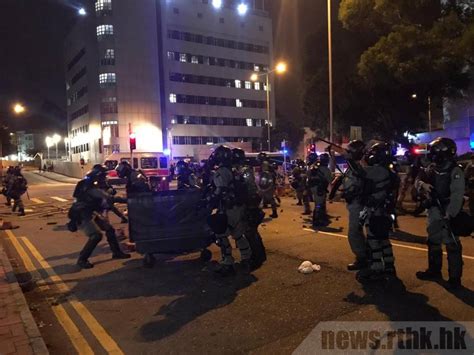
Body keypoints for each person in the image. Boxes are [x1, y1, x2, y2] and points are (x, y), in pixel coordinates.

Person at [415, 138, 465, 289]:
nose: (432, 154)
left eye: (435, 151)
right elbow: (418, 181)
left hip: (447, 211)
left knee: (452, 245)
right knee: (433, 241)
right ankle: (434, 270)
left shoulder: (455, 170)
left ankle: (455, 278)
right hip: (434, 211)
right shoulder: (431, 168)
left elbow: (457, 194)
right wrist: (423, 185)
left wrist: (450, 214)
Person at [69, 164, 131, 269]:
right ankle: (82, 259)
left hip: (90, 212)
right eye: (103, 176)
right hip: (83, 214)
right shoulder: (91, 189)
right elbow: (110, 198)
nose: (104, 178)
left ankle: (116, 253)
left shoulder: (87, 185)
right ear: (97, 177)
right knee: (96, 236)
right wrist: (128, 200)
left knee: (109, 229)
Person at [205, 146, 252, 276]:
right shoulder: (234, 170)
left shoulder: (221, 172)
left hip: (227, 207)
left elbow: (221, 191)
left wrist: (209, 199)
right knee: (238, 235)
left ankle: (228, 263)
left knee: (221, 236)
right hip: (237, 207)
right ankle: (246, 259)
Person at [357, 142, 397, 282]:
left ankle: (376, 268)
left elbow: (359, 172)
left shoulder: (377, 171)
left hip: (375, 210)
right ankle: (390, 266)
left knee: (374, 240)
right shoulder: (389, 170)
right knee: (385, 240)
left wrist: (351, 157)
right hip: (385, 210)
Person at [341, 140, 368, 270]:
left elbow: (359, 173)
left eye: (350, 151)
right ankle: (365, 258)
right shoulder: (352, 166)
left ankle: (363, 258)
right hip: (353, 203)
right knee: (357, 232)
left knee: (354, 233)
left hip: (360, 204)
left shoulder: (361, 165)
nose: (347, 153)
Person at [307, 153, 332, 228]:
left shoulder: (316, 168)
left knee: (320, 204)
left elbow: (308, 175)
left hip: (315, 188)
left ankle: (321, 218)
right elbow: (330, 180)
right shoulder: (325, 169)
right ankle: (316, 221)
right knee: (318, 205)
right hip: (319, 189)